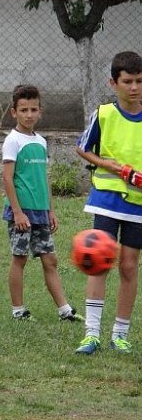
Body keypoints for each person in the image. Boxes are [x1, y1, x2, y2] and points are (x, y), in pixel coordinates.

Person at [74, 51, 142, 355]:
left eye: (139, 81)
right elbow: (83, 149)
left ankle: (120, 334)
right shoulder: (103, 114)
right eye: (127, 81)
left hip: (138, 204)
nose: (134, 87)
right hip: (106, 200)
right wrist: (111, 166)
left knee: (129, 266)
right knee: (99, 262)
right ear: (113, 82)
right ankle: (91, 333)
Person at [2, 84, 83, 322]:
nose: (29, 115)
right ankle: (18, 310)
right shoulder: (12, 141)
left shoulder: (41, 141)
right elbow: (8, 178)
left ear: (40, 111)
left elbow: (44, 177)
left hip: (40, 213)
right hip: (21, 213)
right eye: (24, 109)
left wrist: (50, 210)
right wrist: (17, 212)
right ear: (14, 112)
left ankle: (64, 310)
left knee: (50, 259)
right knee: (20, 258)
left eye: (33, 109)